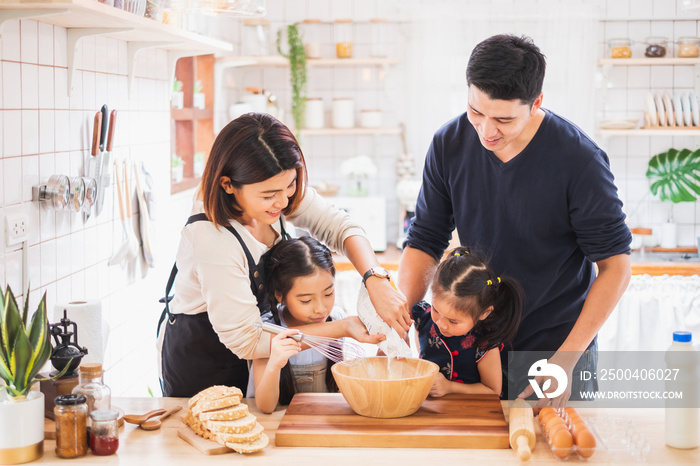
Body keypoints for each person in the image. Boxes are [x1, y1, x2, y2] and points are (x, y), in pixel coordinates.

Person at [399, 34, 632, 406]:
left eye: (504, 119)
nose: (486, 131)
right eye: (476, 112)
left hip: (556, 348)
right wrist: (397, 324)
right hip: (472, 348)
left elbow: (616, 267)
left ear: (536, 102)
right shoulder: (449, 144)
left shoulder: (578, 160)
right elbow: (425, 240)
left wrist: (566, 360)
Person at [158, 113, 410, 397]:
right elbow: (248, 340)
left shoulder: (275, 192)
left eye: (290, 185)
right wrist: (343, 327)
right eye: (269, 195)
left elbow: (341, 227)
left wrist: (375, 278)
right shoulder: (211, 237)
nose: (284, 201)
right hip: (207, 363)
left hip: (264, 354)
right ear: (228, 184)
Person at [248, 236, 347, 413]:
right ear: (280, 295)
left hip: (325, 424)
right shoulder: (268, 330)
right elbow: (265, 406)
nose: (321, 309)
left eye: (328, 293)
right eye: (306, 300)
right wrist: (275, 365)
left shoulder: (336, 318)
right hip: (280, 425)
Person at [413, 247, 523, 397]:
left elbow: (492, 391)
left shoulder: (484, 343)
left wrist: (449, 387)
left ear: (483, 313)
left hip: (471, 413)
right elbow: (422, 354)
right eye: (436, 310)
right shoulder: (423, 319)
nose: (441, 324)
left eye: (453, 321)